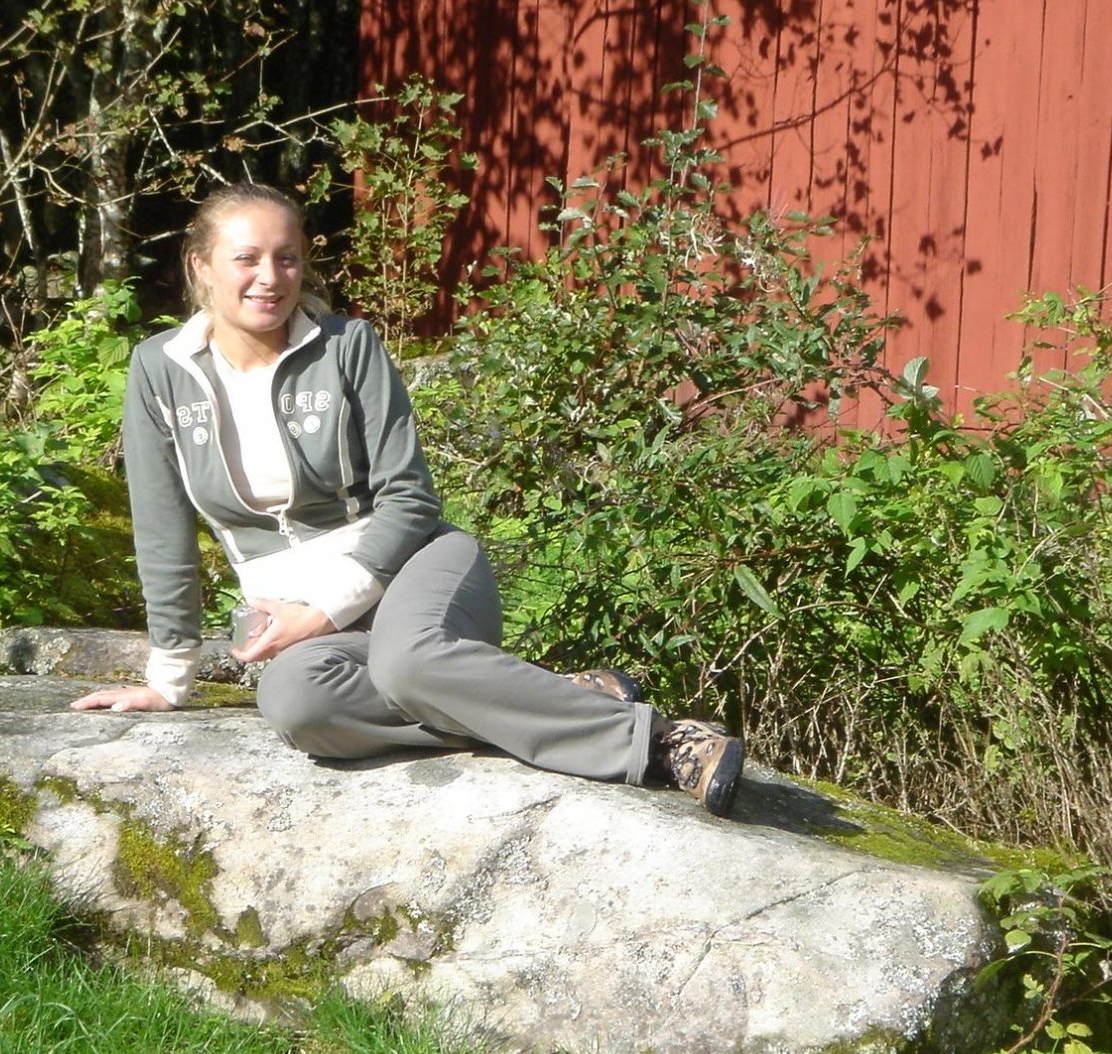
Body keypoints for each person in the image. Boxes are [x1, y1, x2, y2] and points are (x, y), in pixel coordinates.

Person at [70, 183, 747, 815]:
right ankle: (536, 698)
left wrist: (321, 612)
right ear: (201, 266)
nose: (270, 277)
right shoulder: (160, 369)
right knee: (298, 704)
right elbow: (161, 528)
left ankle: (659, 741)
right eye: (246, 258)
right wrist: (169, 679)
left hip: (414, 566)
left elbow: (411, 498)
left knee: (408, 661)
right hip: (295, 611)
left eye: (287, 257)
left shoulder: (347, 346)